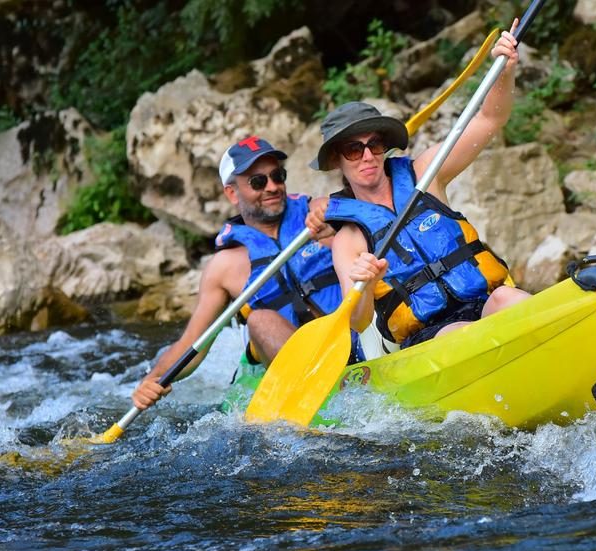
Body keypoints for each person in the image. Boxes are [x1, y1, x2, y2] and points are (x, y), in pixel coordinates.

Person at [306, 23, 530, 349]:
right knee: (461, 336)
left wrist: (504, 72)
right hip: (429, 336)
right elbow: (358, 320)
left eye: (375, 144)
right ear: (338, 161)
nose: (367, 156)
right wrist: (364, 285)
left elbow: (489, 121)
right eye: (354, 149)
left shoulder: (425, 174)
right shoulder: (349, 239)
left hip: (483, 303)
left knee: (509, 297)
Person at [131, 136, 341, 410]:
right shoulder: (225, 266)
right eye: (258, 181)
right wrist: (153, 379)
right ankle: (323, 394)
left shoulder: (317, 214)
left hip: (350, 336)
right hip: (298, 365)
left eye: (277, 176)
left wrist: (338, 225)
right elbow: (193, 344)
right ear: (232, 193)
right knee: (261, 321)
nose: (272, 187)